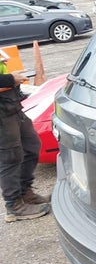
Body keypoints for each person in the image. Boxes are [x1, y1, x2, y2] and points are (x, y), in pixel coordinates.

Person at [0, 59, 50, 222]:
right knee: (10, 157)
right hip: (2, 115)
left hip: (11, 105)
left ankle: (25, 192)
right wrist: (9, 79)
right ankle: (14, 205)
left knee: (31, 146)